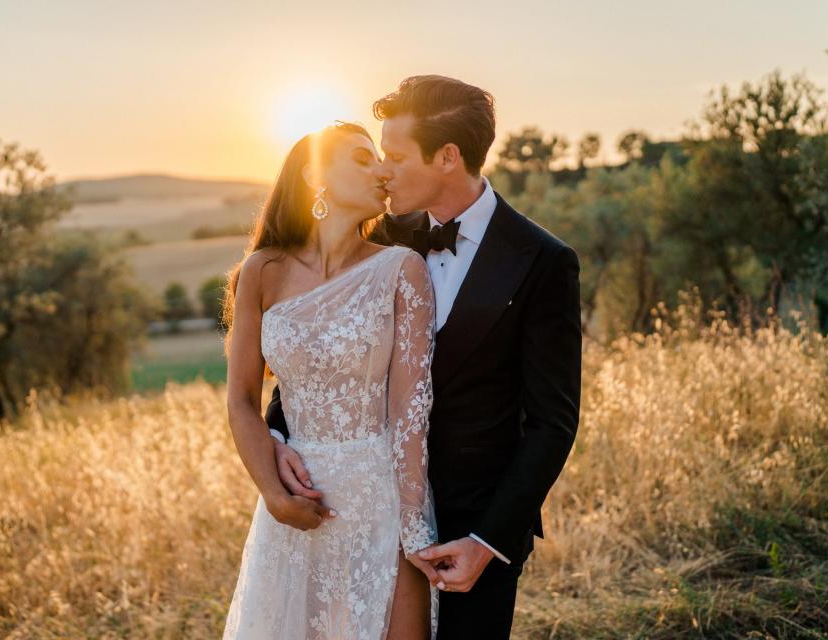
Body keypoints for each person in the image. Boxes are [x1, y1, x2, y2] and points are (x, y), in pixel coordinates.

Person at [267, 75, 583, 639]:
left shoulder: (542, 261)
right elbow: (315, 351)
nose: (382, 171)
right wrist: (277, 438)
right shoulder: (380, 237)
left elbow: (553, 423)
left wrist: (488, 541)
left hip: (467, 531)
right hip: (360, 513)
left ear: (448, 157)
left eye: (393, 156)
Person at [222, 121, 441, 639]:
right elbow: (240, 401)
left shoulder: (401, 269)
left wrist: (413, 531)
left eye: (380, 159)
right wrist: (274, 494)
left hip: (381, 500)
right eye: (361, 160)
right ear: (313, 175)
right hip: (297, 504)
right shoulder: (262, 270)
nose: (381, 171)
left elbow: (410, 414)